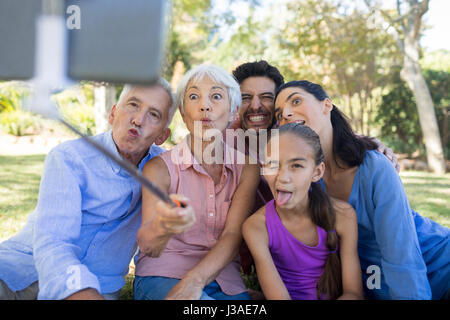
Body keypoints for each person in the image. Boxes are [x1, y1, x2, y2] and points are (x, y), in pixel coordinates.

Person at [0, 79, 176, 300]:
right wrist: (82, 291)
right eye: (133, 104)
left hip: (100, 284)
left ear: (162, 135)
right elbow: (54, 243)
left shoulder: (165, 169)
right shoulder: (70, 158)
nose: (138, 120)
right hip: (23, 268)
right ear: (113, 114)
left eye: (154, 114)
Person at [275, 80, 450, 300]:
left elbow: (402, 255)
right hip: (378, 283)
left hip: (436, 263)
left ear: (326, 105)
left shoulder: (375, 166)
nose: (287, 114)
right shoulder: (303, 180)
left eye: (296, 101)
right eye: (279, 114)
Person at [133, 64, 260, 300]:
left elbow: (233, 234)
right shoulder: (159, 169)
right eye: (194, 96)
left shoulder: (248, 168)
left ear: (234, 112)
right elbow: (148, 245)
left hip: (224, 281)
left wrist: (194, 281)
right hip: (164, 276)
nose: (204, 105)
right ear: (183, 113)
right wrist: (164, 225)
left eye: (216, 96)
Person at [243, 123, 364, 300]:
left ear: (317, 172)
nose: (282, 177)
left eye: (296, 166)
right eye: (273, 165)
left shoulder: (343, 215)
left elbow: (353, 294)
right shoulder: (256, 227)